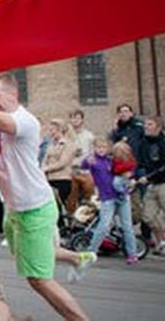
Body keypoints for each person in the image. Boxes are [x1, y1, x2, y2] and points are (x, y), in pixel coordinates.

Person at [0, 73, 92, 320]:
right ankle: (78, 258)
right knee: (29, 252)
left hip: (34, 209)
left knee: (39, 280)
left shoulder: (25, 122)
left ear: (14, 95)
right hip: (16, 209)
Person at [82, 137, 139, 265]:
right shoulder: (94, 161)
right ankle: (91, 251)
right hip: (107, 198)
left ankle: (132, 253)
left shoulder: (111, 160)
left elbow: (128, 167)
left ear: (108, 149)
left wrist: (131, 176)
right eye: (98, 147)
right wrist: (87, 159)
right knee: (103, 226)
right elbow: (84, 164)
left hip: (122, 197)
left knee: (127, 227)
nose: (101, 150)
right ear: (94, 148)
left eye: (103, 147)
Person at [135, 115, 165, 254]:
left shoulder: (163, 142)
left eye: (150, 124)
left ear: (158, 128)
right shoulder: (143, 143)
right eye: (146, 124)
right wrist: (139, 176)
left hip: (163, 183)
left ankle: (162, 244)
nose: (146, 127)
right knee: (148, 216)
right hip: (151, 185)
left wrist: (149, 176)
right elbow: (139, 163)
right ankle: (162, 242)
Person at [42, 118, 77, 222]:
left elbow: (63, 162)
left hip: (62, 178)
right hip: (49, 178)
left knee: (62, 203)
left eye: (53, 130)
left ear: (60, 130)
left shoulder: (68, 144)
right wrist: (42, 168)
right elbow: (45, 158)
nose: (51, 132)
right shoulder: (51, 144)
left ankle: (67, 225)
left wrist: (46, 168)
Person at [67, 110, 95, 214]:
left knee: (88, 198)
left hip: (85, 171)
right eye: (72, 118)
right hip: (71, 171)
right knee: (71, 200)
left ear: (82, 120)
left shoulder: (89, 136)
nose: (74, 121)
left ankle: (87, 220)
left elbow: (92, 154)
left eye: (77, 118)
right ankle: (72, 224)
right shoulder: (66, 137)